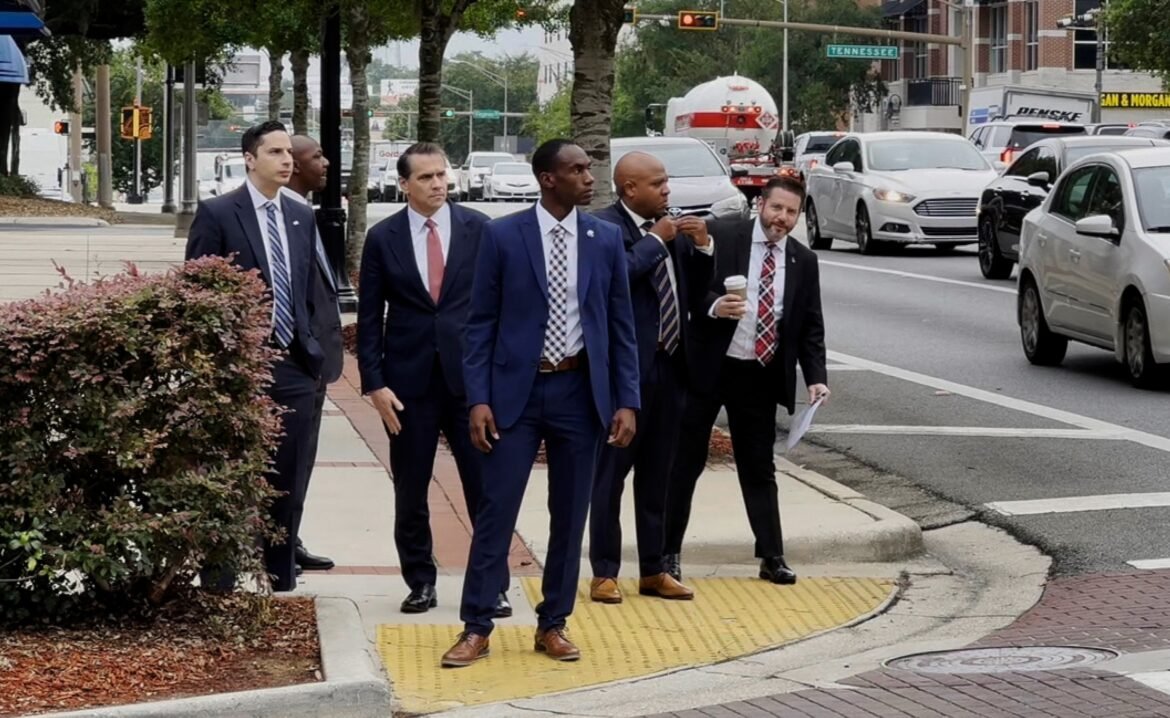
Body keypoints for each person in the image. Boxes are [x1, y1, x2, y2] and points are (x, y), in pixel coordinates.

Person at [441, 139, 640, 668]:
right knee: (495, 513)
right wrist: (478, 398)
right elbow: (478, 323)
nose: (588, 177)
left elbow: (621, 327)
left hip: (581, 394)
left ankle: (553, 623)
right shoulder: (503, 235)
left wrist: (627, 401)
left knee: (570, 515)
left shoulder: (605, 238)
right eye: (576, 170)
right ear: (547, 178)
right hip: (515, 396)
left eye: (586, 169)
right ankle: (476, 626)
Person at [356, 142, 510, 617]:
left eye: (442, 175)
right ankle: (420, 581)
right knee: (411, 489)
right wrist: (375, 384)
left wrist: (498, 380)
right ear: (404, 184)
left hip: (472, 386)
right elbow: (368, 318)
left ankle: (492, 585)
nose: (438, 184)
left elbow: (500, 308)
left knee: (485, 488)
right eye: (425, 177)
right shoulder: (383, 238)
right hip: (408, 387)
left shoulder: (480, 229)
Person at [663, 175, 829, 587]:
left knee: (759, 467)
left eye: (791, 212)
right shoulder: (723, 234)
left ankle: (772, 555)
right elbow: (690, 286)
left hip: (760, 372)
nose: (782, 219)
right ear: (761, 206)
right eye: (776, 209)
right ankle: (667, 554)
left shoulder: (802, 260)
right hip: (709, 368)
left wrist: (816, 378)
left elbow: (810, 325)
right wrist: (716, 305)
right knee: (685, 463)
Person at [186, 120, 324, 593]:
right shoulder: (218, 213)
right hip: (240, 365)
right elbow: (196, 294)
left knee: (288, 474)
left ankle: (280, 576)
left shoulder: (301, 214)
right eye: (275, 152)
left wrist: (313, 352)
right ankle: (221, 580)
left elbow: (307, 287)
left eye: (289, 152)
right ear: (250, 158)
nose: (288, 160)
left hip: (293, 362)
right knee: (230, 471)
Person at [587, 151, 714, 604]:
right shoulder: (603, 229)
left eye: (666, 182)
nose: (667, 190)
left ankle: (654, 569)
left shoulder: (671, 228)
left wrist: (701, 248)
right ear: (629, 189)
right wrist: (655, 242)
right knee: (610, 476)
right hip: (624, 376)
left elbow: (695, 296)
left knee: (658, 475)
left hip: (671, 367)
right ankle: (604, 571)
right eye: (657, 183)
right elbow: (612, 278)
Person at [281, 134, 340, 574]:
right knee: (284, 460)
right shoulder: (280, 216)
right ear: (295, 166)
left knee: (303, 459)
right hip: (293, 362)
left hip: (316, 362)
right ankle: (276, 544)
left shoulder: (305, 215)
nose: (326, 161)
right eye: (316, 156)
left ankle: (290, 540)